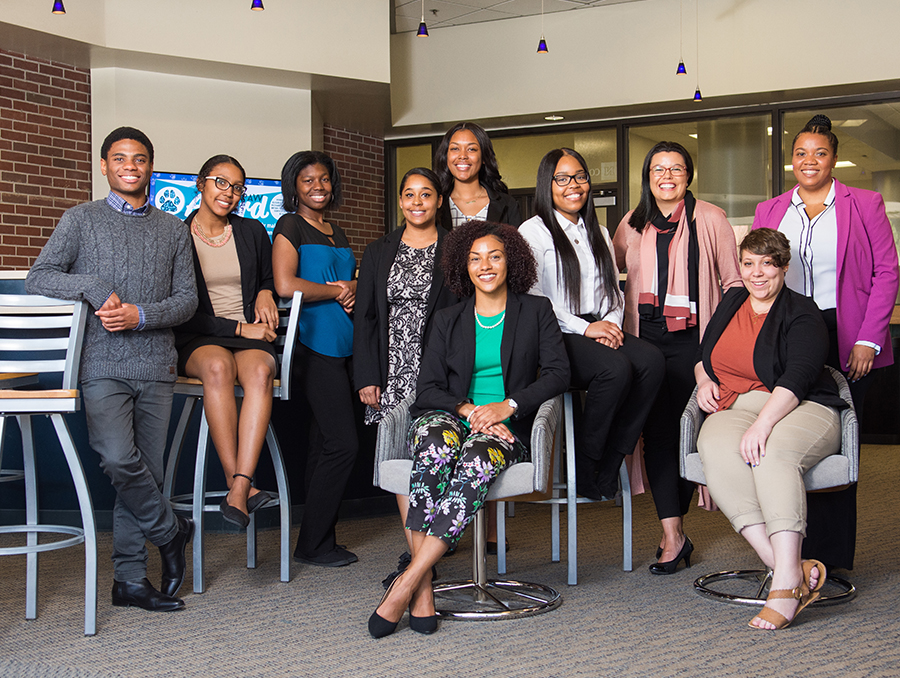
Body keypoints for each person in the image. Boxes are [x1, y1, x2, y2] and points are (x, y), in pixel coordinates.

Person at [368, 220, 569, 638]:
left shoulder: (536, 311)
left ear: (510, 261)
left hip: (505, 425)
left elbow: (557, 374)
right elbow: (427, 389)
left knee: (476, 456)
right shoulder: (447, 319)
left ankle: (409, 582)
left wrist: (505, 407)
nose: (485, 265)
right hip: (451, 415)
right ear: (464, 267)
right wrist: (467, 408)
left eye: (494, 256)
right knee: (435, 445)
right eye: (475, 258)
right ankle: (422, 591)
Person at [26, 126, 197, 611]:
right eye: (119, 158)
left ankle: (129, 580)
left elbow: (186, 301)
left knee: (144, 472)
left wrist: (140, 315)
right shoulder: (79, 220)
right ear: (104, 166)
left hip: (156, 364)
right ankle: (170, 530)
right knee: (119, 459)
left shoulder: (172, 229)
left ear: (150, 167)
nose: (130, 166)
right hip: (101, 363)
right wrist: (94, 287)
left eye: (139, 158)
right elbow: (41, 276)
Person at [752, 114, 899, 570]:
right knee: (789, 435)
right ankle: (793, 555)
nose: (809, 161)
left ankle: (831, 559)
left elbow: (886, 272)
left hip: (846, 331)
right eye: (801, 153)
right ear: (791, 160)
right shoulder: (770, 209)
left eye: (819, 153)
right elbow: (757, 274)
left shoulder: (865, 203)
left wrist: (869, 341)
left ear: (833, 158)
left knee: (838, 440)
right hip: (790, 331)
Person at [695, 228, 847, 629]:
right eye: (748, 263)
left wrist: (763, 425)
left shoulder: (802, 310)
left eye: (767, 263)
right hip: (736, 406)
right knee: (713, 447)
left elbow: (799, 375)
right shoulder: (731, 301)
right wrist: (703, 379)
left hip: (802, 405)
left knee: (772, 454)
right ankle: (788, 567)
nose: (756, 273)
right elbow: (704, 355)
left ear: (783, 266)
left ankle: (783, 588)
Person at [612, 141, 741, 574]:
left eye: (676, 168)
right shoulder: (631, 223)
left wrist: (716, 344)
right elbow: (608, 278)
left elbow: (734, 284)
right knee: (658, 436)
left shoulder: (710, 218)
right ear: (647, 176)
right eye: (658, 169)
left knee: (695, 432)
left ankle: (686, 519)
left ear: (689, 175)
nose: (667, 176)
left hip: (695, 344)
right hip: (644, 345)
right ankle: (673, 534)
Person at [520, 148, 664, 500]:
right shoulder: (534, 232)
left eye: (581, 176)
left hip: (598, 327)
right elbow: (535, 299)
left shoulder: (597, 230)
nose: (574, 185)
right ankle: (585, 466)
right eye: (563, 178)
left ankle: (612, 458)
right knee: (614, 370)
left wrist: (611, 325)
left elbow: (612, 291)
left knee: (651, 362)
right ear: (547, 184)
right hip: (556, 334)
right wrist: (586, 329)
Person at [353, 168, 458, 579]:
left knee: (434, 452)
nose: (417, 202)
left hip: (440, 367)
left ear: (438, 201)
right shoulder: (379, 250)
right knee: (400, 456)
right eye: (410, 195)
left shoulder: (454, 248)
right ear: (400, 201)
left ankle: (423, 554)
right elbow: (366, 318)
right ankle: (417, 551)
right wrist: (366, 375)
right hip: (392, 365)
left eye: (426, 194)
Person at [174, 154, 278, 528]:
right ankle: (241, 483)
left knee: (261, 373)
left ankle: (239, 488)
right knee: (218, 366)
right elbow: (180, 309)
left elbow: (268, 278)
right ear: (201, 183)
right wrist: (237, 330)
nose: (229, 193)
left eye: (237, 188)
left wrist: (266, 292)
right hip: (201, 337)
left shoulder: (251, 231)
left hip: (249, 337)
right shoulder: (176, 235)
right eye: (221, 182)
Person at [272, 150, 359, 567]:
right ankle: (312, 543)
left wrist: (354, 287)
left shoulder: (335, 230)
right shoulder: (290, 225)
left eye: (324, 179)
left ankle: (317, 540)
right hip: (312, 344)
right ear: (294, 186)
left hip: (344, 345)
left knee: (324, 444)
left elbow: (348, 282)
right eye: (308, 181)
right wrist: (340, 289)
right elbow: (285, 284)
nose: (317, 187)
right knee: (343, 443)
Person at [434, 121, 522, 229]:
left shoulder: (508, 204)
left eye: (471, 149)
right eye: (455, 149)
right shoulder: (435, 204)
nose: (462, 156)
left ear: (484, 157)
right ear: (446, 156)